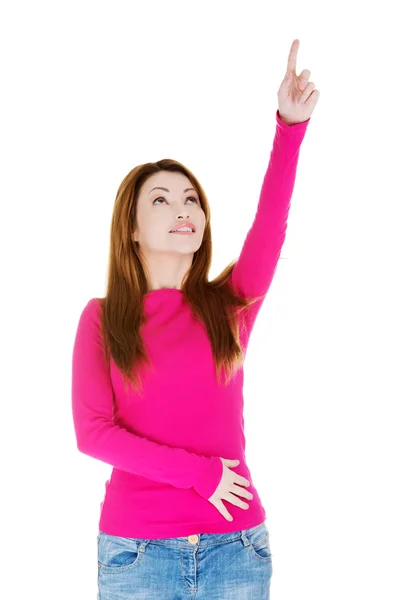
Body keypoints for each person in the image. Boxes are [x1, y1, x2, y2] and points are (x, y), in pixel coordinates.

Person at [72, 38, 319, 599]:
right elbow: (93, 434)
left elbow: (270, 228)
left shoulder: (228, 305)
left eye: (191, 199)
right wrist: (200, 474)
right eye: (160, 200)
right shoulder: (101, 320)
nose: (183, 209)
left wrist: (289, 127)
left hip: (237, 547)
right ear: (131, 229)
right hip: (138, 554)